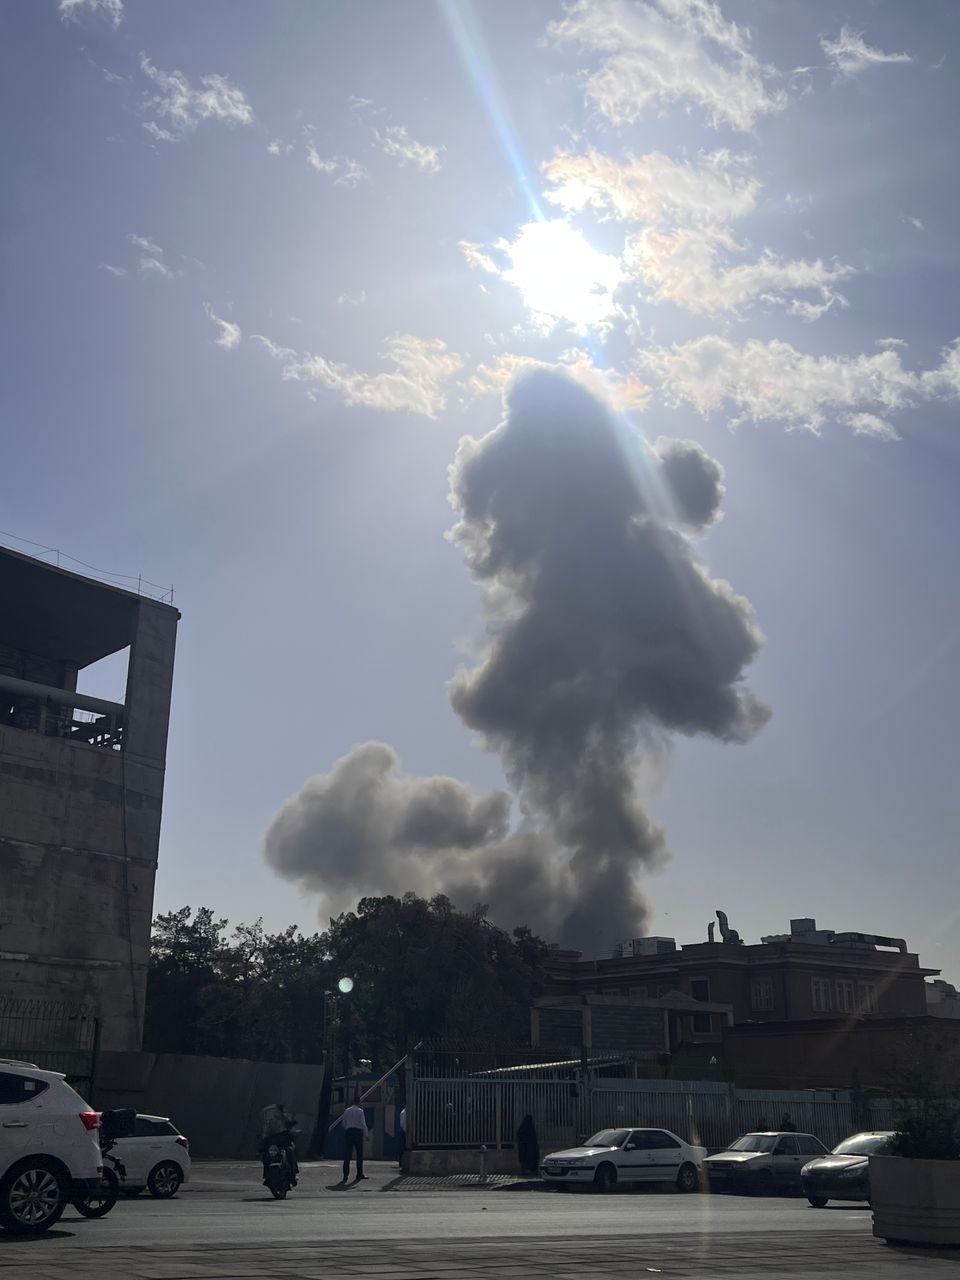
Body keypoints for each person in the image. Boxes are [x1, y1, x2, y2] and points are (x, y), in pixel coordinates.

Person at [259, 1103, 299, 1187]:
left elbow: (292, 1127)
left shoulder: (282, 1117)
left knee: (291, 1152)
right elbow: (265, 1133)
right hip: (277, 1141)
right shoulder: (272, 1119)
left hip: (281, 1140)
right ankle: (268, 1177)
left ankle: (293, 1175)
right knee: (266, 1156)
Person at [336, 1093, 368, 1182]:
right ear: (359, 1102)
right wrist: (366, 1134)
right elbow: (363, 1123)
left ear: (352, 1101)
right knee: (359, 1154)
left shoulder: (347, 1110)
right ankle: (359, 1174)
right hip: (358, 1132)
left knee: (347, 1154)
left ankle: (345, 1175)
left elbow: (343, 1123)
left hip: (349, 1132)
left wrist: (347, 1128)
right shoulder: (360, 1111)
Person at [397, 1106, 407, 1170]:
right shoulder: (404, 1112)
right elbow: (403, 1124)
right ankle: (401, 1163)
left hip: (405, 1131)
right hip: (404, 1132)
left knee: (403, 1147)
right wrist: (406, 1131)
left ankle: (402, 1163)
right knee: (402, 1147)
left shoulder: (404, 1112)